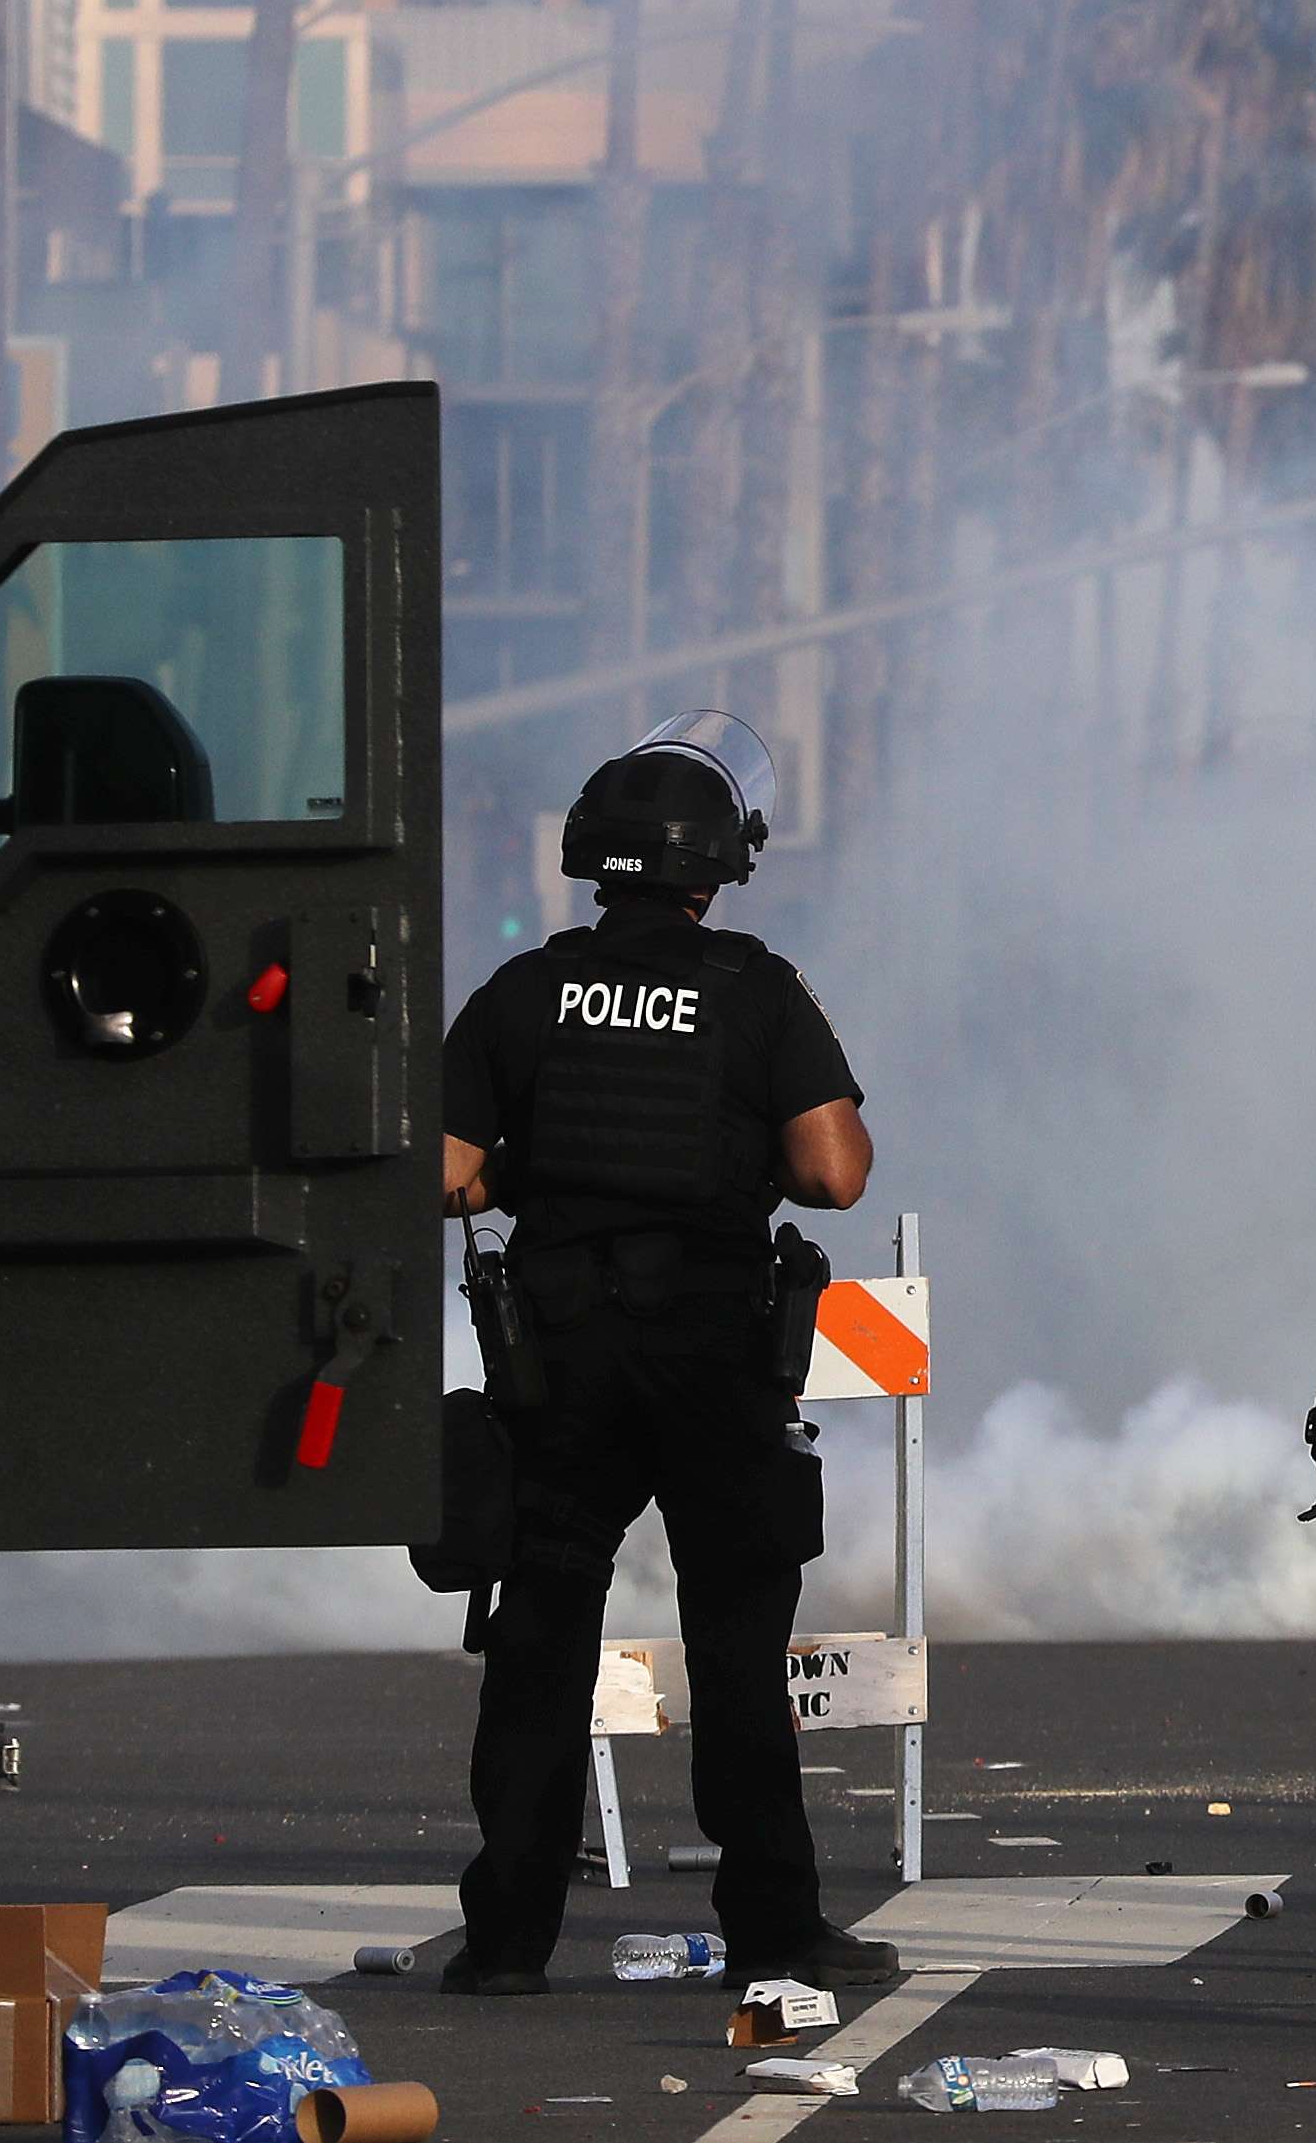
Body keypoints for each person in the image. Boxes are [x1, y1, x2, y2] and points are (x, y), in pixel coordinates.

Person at [438, 717, 902, 1999]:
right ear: (715, 866)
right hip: (711, 1354)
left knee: (538, 1646)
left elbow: (447, 1172)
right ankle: (773, 1931)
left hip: (562, 1361)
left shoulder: (526, 992)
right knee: (742, 1652)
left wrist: (546, 1164)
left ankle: (506, 1942)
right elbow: (833, 1172)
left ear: (598, 859)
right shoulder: (756, 989)